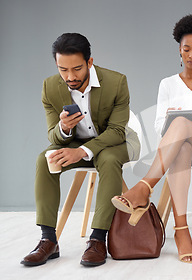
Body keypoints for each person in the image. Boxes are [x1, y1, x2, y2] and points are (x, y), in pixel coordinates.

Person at [111, 14, 192, 264]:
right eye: (187, 49)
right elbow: (157, 126)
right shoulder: (167, 84)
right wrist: (173, 123)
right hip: (178, 147)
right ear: (179, 49)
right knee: (181, 148)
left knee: (182, 126)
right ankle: (182, 231)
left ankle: (143, 187)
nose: (191, 55)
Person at [21, 33, 139, 267]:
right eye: (62, 69)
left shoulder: (116, 82)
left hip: (118, 144)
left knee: (107, 158)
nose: (70, 76)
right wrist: (63, 128)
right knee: (45, 159)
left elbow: (117, 130)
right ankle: (48, 240)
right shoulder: (50, 87)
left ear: (89, 62)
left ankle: (97, 239)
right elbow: (52, 135)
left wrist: (83, 151)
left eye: (76, 69)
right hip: (74, 144)